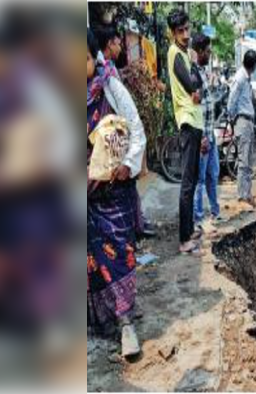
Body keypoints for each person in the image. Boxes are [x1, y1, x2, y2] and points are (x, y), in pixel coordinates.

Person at [87, 28, 147, 358]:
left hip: (112, 195)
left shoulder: (111, 87)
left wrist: (126, 164)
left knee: (119, 256)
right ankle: (97, 320)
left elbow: (135, 131)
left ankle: (126, 323)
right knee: (87, 262)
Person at [94, 25, 157, 239]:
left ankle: (137, 223)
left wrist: (128, 163)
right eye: (117, 42)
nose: (121, 46)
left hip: (116, 185)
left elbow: (133, 125)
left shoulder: (109, 81)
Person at [167, 10, 206, 254]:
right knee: (188, 184)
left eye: (186, 29)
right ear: (172, 33)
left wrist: (196, 83)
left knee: (191, 182)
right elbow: (193, 85)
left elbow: (199, 83)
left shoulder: (184, 54)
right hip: (188, 122)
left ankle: (189, 229)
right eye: (180, 31)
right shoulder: (175, 53)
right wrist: (195, 84)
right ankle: (184, 241)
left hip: (194, 122)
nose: (185, 35)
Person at [191, 33, 225, 229]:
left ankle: (215, 211)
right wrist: (203, 136)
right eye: (208, 51)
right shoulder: (194, 73)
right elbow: (196, 107)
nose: (210, 54)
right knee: (200, 179)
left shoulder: (203, 71)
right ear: (200, 51)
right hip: (202, 134)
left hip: (209, 132)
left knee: (213, 173)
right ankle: (198, 218)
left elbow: (210, 99)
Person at [227, 50, 256, 208]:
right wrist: (232, 119)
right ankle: (242, 197)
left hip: (247, 122)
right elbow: (231, 100)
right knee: (243, 162)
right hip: (242, 121)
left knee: (248, 161)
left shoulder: (246, 77)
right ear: (253, 65)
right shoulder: (240, 78)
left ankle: (247, 194)